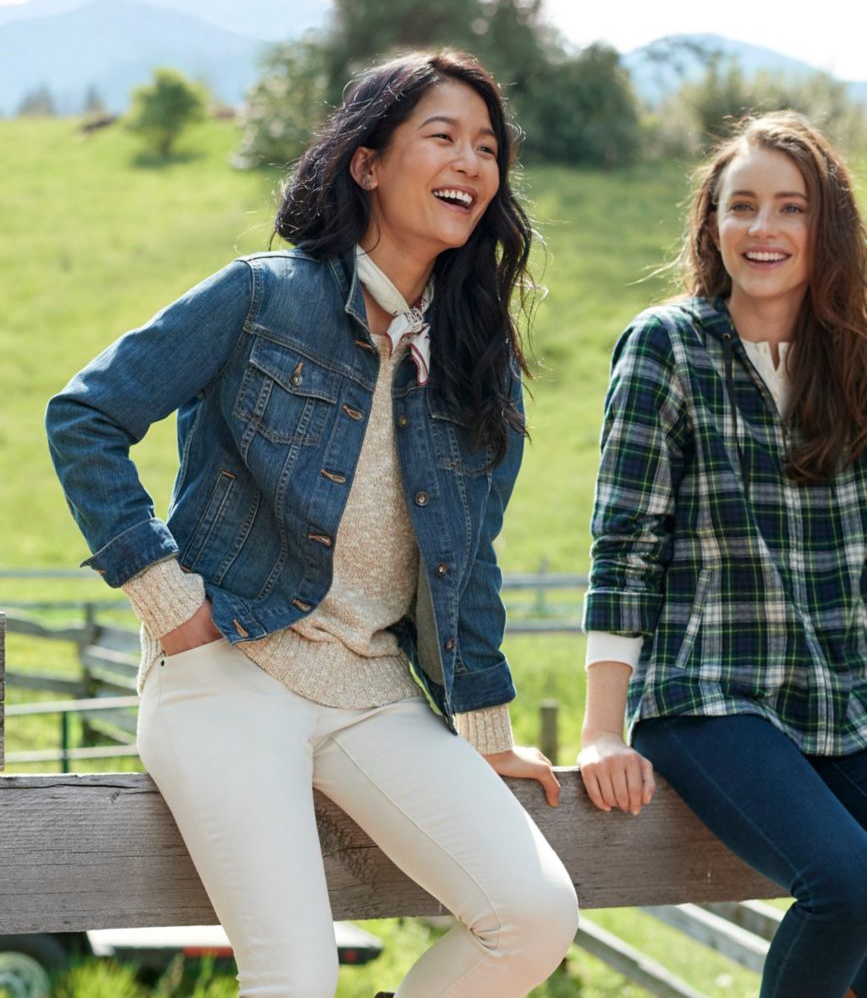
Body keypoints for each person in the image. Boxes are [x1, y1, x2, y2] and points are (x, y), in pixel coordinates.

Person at [46, 49, 578, 998]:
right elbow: (85, 416)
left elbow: (468, 558)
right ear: (367, 164)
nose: (470, 162)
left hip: (375, 695)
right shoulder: (261, 298)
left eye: (487, 147)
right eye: (442, 137)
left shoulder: (473, 360)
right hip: (228, 675)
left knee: (533, 918)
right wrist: (168, 602)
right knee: (293, 976)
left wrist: (486, 730)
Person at [578, 111, 867, 998]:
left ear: (827, 228)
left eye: (790, 208)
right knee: (850, 889)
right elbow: (624, 543)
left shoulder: (855, 360)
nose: (763, 229)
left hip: (842, 691)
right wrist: (597, 729)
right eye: (741, 206)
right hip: (711, 695)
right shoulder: (664, 347)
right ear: (711, 224)